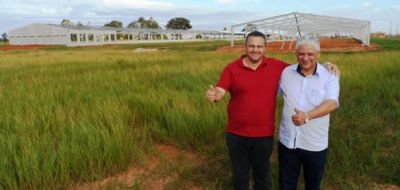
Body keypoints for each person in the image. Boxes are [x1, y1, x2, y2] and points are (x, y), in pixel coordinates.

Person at [206, 31, 339, 190]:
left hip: (273, 137)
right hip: (247, 136)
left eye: (259, 46)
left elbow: (309, 68)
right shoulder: (234, 68)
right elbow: (221, 88)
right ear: (245, 47)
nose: (255, 50)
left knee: (264, 177)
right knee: (243, 176)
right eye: (252, 46)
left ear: (265, 48)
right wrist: (216, 94)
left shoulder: (281, 68)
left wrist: (327, 64)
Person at [278, 35, 340, 190]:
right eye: (301, 54)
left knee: (312, 186)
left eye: (310, 54)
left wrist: (307, 116)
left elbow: (332, 103)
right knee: (286, 185)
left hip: (314, 145)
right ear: (296, 54)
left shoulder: (329, 76)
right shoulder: (286, 72)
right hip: (288, 142)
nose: (305, 58)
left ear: (318, 54)